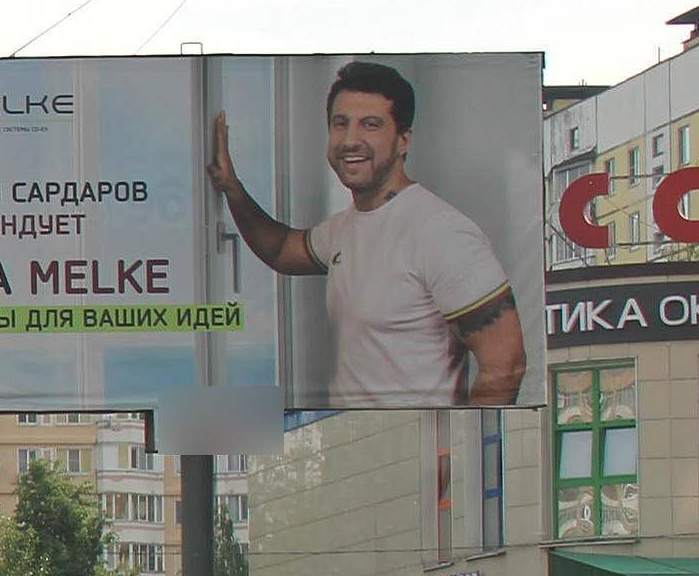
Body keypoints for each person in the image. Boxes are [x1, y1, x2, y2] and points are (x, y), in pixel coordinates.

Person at [206, 60, 523, 407]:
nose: (350, 140)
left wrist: (459, 437)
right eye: (340, 124)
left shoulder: (441, 233)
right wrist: (232, 188)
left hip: (412, 439)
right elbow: (281, 249)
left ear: (403, 141)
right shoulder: (344, 228)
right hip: (352, 437)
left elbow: (505, 368)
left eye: (370, 125)